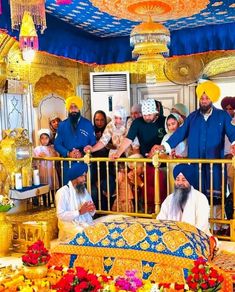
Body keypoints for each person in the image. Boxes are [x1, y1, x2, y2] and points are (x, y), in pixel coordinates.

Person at [155, 81, 235, 204]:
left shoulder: (222, 116)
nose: (203, 101)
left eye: (207, 98)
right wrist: (164, 146)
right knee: (194, 200)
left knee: (217, 202)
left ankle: (218, 224)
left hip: (215, 167)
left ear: (212, 99)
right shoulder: (192, 117)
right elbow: (179, 134)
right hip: (195, 166)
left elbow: (233, 133)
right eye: (202, 98)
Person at [111, 98, 167, 213]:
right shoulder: (137, 122)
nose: (146, 117)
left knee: (163, 193)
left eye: (149, 115)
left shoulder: (164, 121)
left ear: (155, 112)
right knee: (147, 194)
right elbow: (128, 139)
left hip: (165, 164)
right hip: (147, 163)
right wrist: (118, 153)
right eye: (145, 115)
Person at [157, 164, 211, 235]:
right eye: (177, 179)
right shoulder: (169, 199)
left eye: (184, 180)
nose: (180, 183)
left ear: (190, 181)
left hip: (196, 239)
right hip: (171, 238)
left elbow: (202, 226)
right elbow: (160, 221)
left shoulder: (200, 198)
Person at [54, 95, 96, 184]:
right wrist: (68, 153)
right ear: (68, 109)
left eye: (75, 107)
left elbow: (93, 142)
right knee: (69, 190)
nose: (73, 110)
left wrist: (83, 152)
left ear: (79, 108)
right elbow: (57, 144)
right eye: (71, 107)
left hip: (84, 162)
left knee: (84, 190)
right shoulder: (62, 125)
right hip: (68, 164)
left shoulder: (88, 124)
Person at [55, 163, 96, 241]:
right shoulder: (62, 192)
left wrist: (91, 209)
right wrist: (79, 212)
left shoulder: (83, 190)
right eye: (81, 176)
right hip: (69, 225)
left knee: (97, 233)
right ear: (74, 177)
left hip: (85, 222)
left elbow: (91, 209)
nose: (84, 179)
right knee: (85, 236)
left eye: (84, 176)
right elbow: (60, 214)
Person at [33, 128, 59, 206]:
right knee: (44, 188)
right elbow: (34, 161)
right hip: (43, 172)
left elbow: (56, 157)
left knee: (53, 187)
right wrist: (39, 157)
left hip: (51, 170)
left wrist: (50, 155)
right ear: (40, 139)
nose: (44, 140)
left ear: (49, 139)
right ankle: (45, 204)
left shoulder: (52, 148)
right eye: (42, 138)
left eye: (46, 138)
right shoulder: (37, 149)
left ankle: (55, 203)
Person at [221, 96, 235, 192]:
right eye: (226, 109)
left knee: (232, 184)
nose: (228, 111)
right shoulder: (220, 120)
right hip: (220, 157)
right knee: (220, 184)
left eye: (230, 109)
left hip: (232, 158)